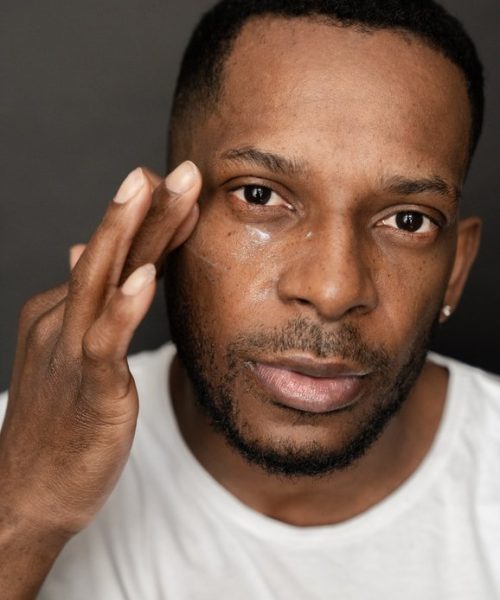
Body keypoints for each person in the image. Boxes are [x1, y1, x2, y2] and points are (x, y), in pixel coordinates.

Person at [1, 0, 499, 598]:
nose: (333, 290)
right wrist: (23, 517)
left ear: (456, 267)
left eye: (410, 220)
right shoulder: (14, 462)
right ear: (168, 220)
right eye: (260, 195)